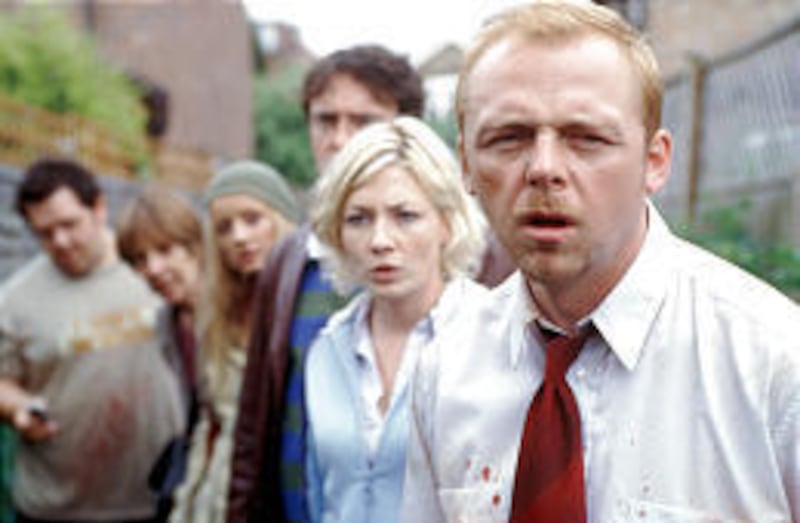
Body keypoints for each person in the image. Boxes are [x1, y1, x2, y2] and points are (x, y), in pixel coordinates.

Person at [401, 1, 800, 522]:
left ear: (654, 162)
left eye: (587, 138)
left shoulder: (773, 365)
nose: (544, 169)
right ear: (466, 164)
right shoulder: (447, 371)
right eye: (509, 137)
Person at [227, 44, 426, 523]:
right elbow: (255, 422)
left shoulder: (457, 253)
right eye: (326, 120)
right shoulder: (289, 259)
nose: (340, 140)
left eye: (363, 121)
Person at [305, 116, 487, 523]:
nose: (380, 241)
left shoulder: (495, 337)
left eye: (405, 215)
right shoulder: (326, 350)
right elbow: (321, 498)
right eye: (358, 219)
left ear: (447, 221)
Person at [0, 157, 184, 523]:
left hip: (156, 497)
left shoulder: (154, 271)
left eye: (69, 224)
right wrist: (19, 408)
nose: (60, 241)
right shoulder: (14, 300)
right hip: (55, 505)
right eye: (45, 233)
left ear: (99, 208)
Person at [168, 160, 300, 523]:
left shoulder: (307, 304)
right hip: (214, 484)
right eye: (224, 227)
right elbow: (210, 421)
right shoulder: (215, 313)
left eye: (252, 219)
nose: (239, 236)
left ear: (281, 217)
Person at [116, 187, 204, 519]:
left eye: (165, 250)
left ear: (195, 246)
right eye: (139, 259)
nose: (152, 268)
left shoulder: (237, 311)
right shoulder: (168, 321)